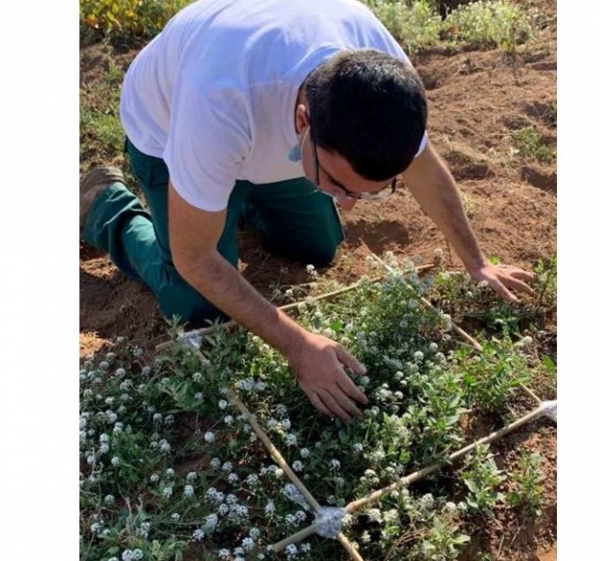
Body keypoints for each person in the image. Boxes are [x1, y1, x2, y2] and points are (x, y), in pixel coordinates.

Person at [80, 0, 535, 424]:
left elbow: (427, 171)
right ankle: (107, 208)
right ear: (304, 121)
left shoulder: (386, 88)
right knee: (195, 302)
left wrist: (476, 263)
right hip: (166, 130)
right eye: (339, 185)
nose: (350, 203)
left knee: (318, 246)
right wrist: (298, 347)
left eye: (371, 191)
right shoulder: (219, 103)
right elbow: (194, 257)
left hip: (260, 142)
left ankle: (225, 200)